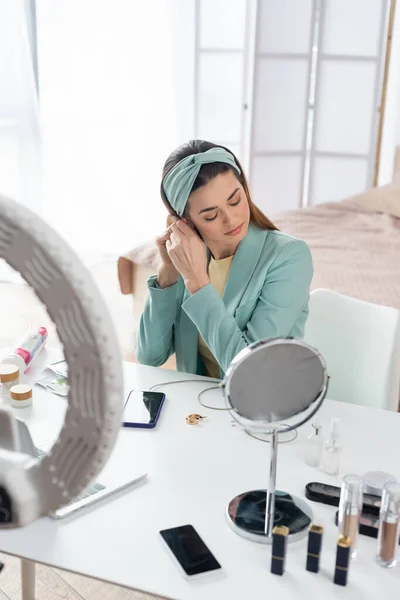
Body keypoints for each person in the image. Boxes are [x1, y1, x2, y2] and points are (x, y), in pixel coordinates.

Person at [136, 140, 313, 378]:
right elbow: (150, 357)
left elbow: (249, 372)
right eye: (210, 215)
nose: (231, 219)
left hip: (264, 408)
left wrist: (197, 282)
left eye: (235, 200)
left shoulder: (289, 257)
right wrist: (167, 272)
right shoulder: (188, 256)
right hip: (196, 409)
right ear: (185, 222)